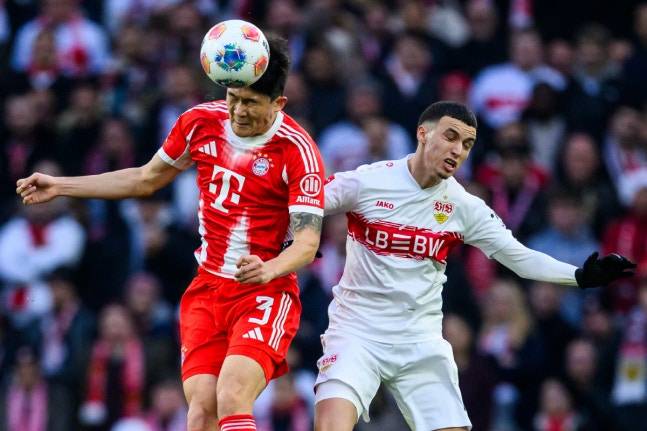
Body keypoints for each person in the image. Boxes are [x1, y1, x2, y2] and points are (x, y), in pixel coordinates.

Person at [16, 35, 325, 431]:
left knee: (232, 395)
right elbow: (144, 179)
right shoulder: (200, 123)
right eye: (233, 98)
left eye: (250, 102)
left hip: (264, 291)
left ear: (278, 103)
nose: (238, 111)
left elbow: (307, 242)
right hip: (207, 289)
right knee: (200, 413)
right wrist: (61, 185)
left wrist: (269, 268)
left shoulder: (297, 149)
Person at [314, 101, 635, 431]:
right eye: (450, 137)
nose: (458, 150)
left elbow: (519, 257)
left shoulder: (463, 206)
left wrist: (578, 276)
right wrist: (298, 238)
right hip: (357, 331)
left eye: (467, 144)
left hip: (418, 339)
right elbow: (306, 202)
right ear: (422, 134)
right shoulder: (369, 180)